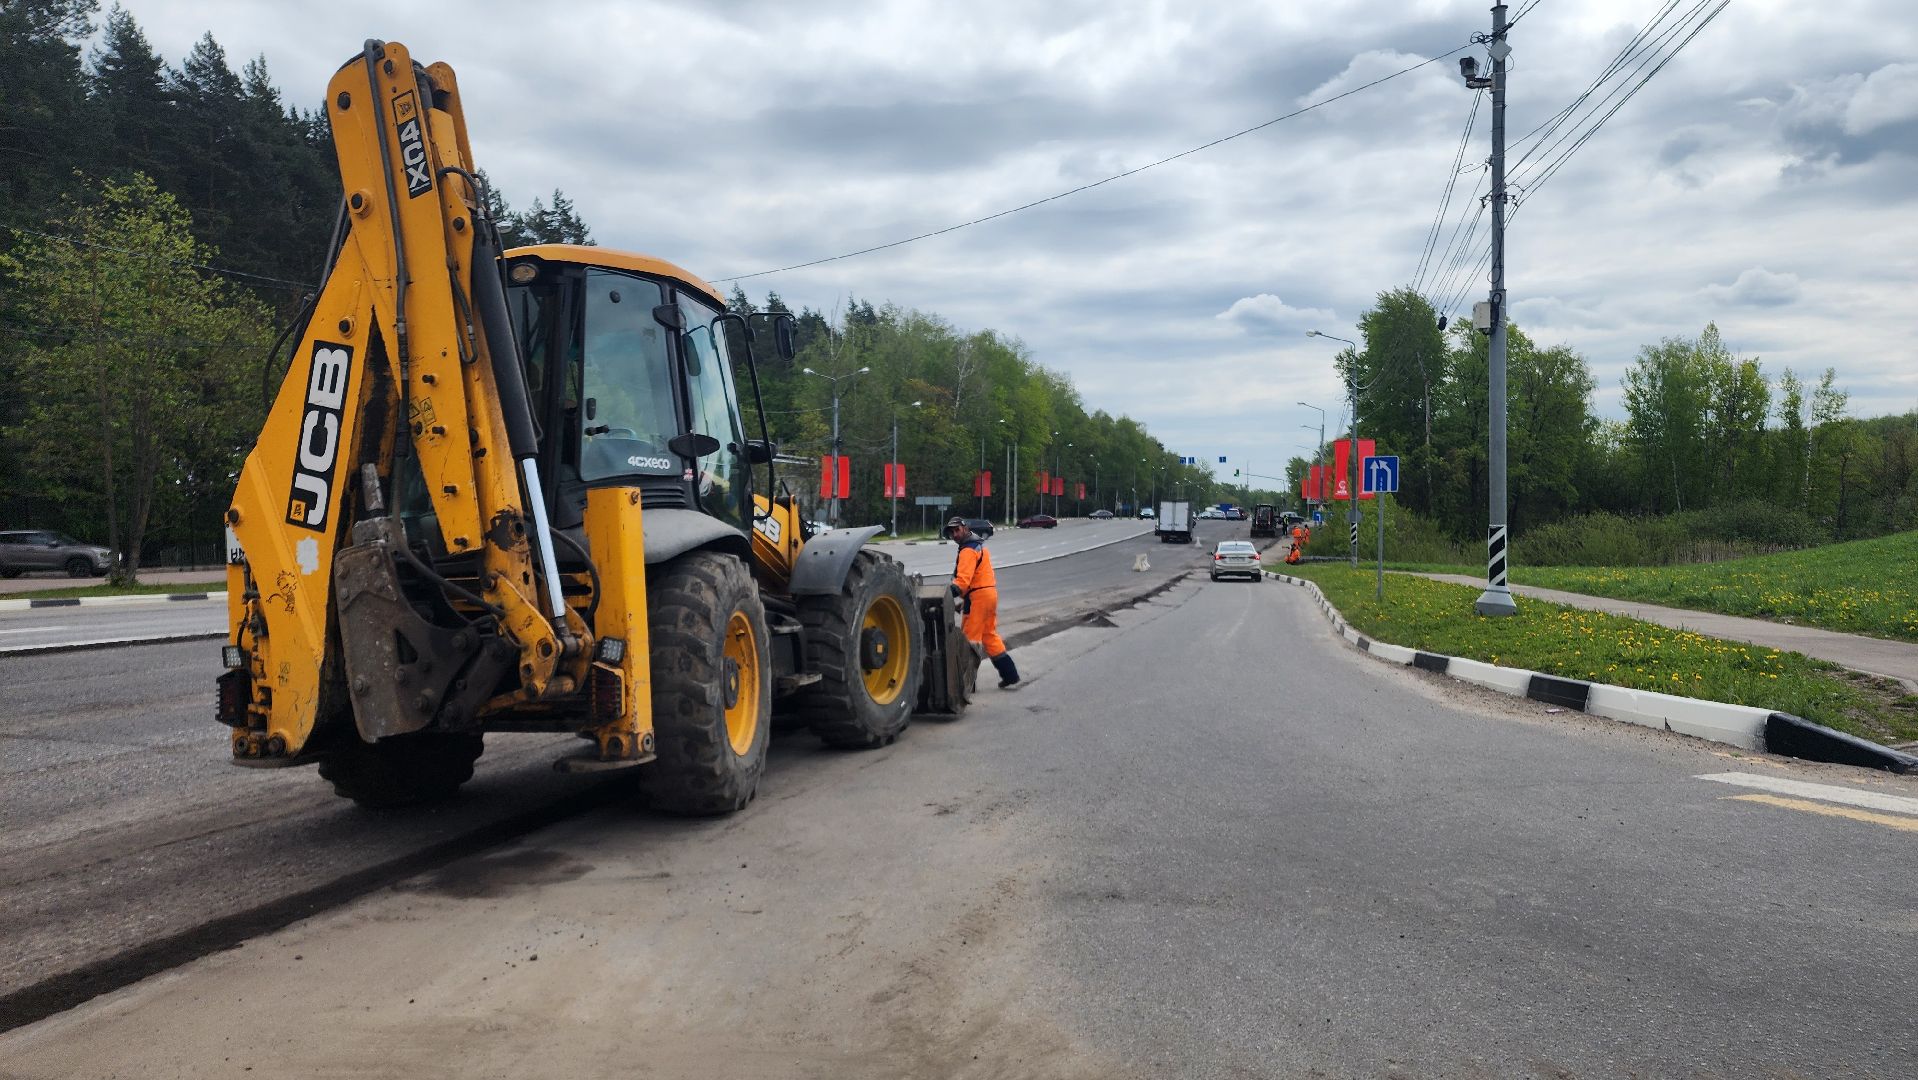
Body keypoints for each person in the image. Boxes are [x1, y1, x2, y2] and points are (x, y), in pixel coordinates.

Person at [946, 516, 1020, 690]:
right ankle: (1010, 674)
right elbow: (979, 579)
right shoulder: (980, 546)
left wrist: (946, 594)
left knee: (969, 641)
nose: (955, 535)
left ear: (965, 528)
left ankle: (967, 684)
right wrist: (965, 602)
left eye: (957, 530)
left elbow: (963, 582)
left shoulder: (967, 551)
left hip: (978, 597)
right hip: (989, 594)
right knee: (989, 636)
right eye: (952, 533)